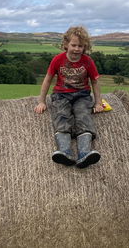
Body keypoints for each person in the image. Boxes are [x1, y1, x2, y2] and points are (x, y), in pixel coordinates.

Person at [35, 26, 104, 168]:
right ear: (66, 44)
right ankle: (64, 151)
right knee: (62, 116)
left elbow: (95, 82)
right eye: (74, 45)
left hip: (82, 95)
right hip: (61, 95)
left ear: (85, 47)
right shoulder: (58, 60)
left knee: (84, 116)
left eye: (80, 46)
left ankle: (84, 153)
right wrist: (41, 101)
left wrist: (98, 103)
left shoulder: (88, 61)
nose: (77, 49)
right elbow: (47, 80)